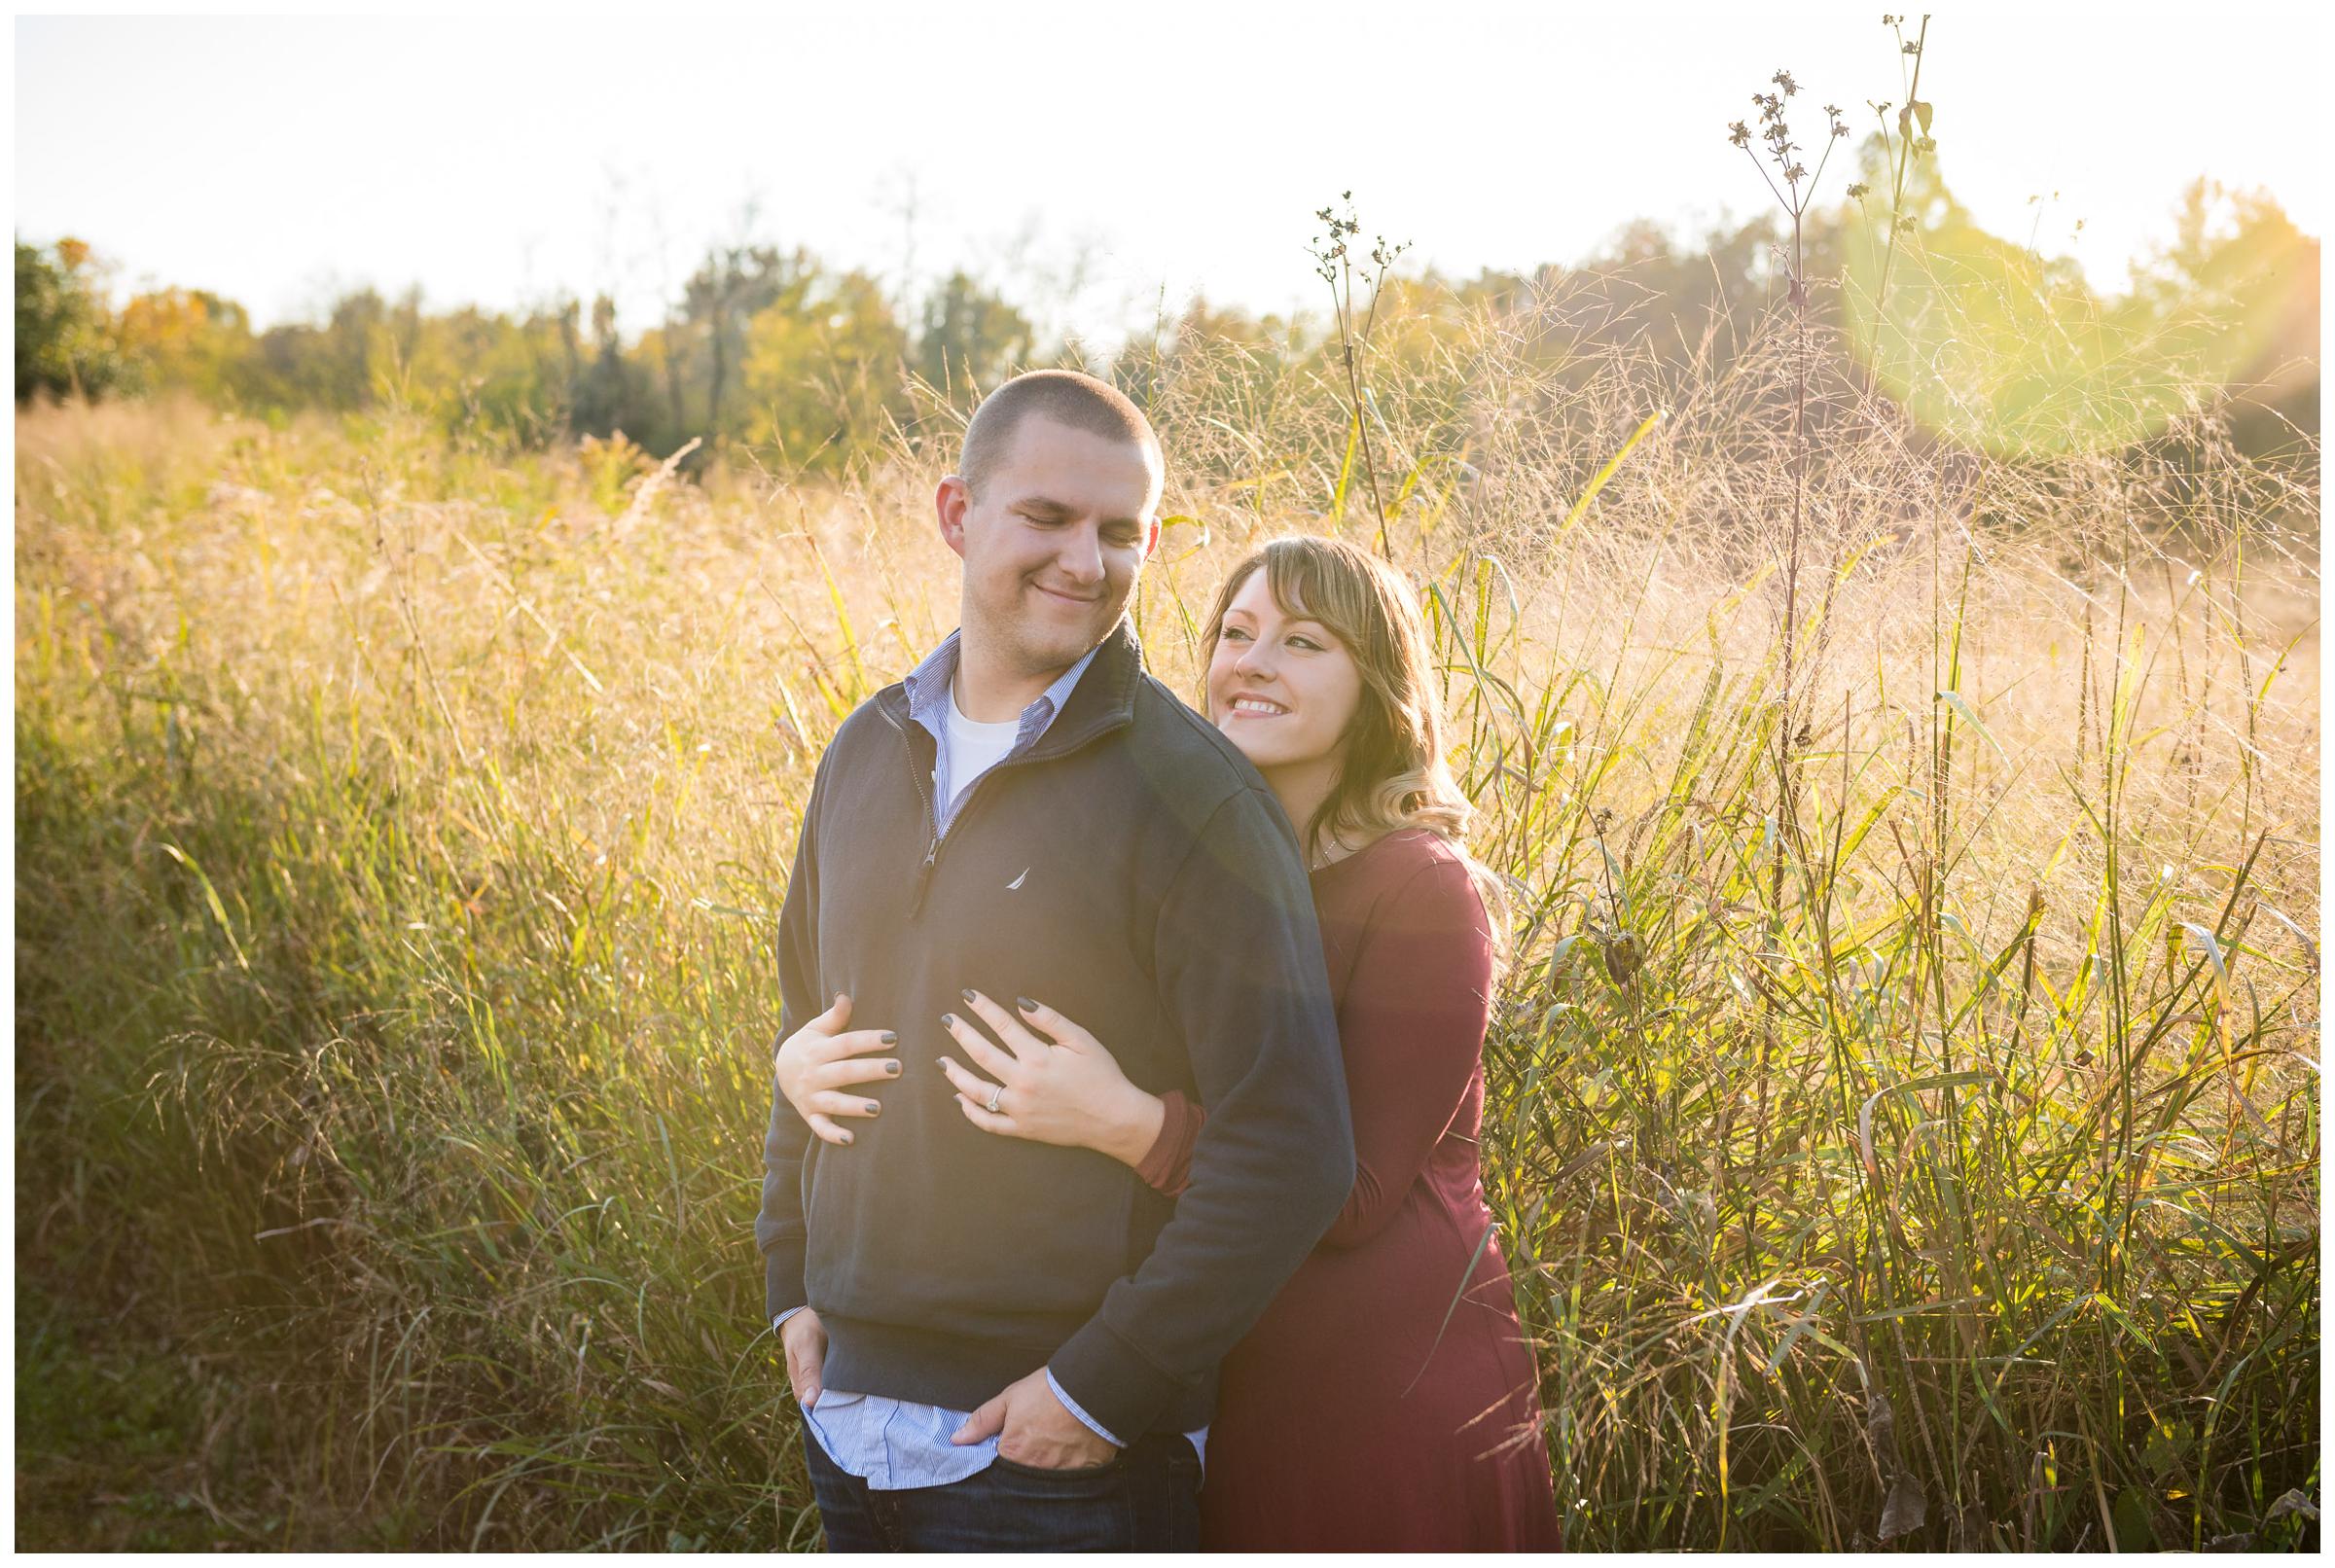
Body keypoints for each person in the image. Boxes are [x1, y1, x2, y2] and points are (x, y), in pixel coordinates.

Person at [779, 535, 1566, 1550]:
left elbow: (1353, 1186)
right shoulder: (1188, 843)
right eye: (1236, 632)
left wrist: (1134, 1125)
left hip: (1370, 1372)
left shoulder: (1420, 887)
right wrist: (797, 1062)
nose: (1253, 661)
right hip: (1215, 1354)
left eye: (1302, 641)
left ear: (1377, 686)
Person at [755, 370, 1356, 1552]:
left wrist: (1101, 1386)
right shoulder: (863, 754)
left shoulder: (1192, 798)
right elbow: (802, 1042)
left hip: (1059, 1468)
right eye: (1048, 517)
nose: (1087, 560)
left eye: (1120, 532)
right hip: (849, 1423)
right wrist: (790, 1283)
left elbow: (1294, 1148)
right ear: (956, 513)